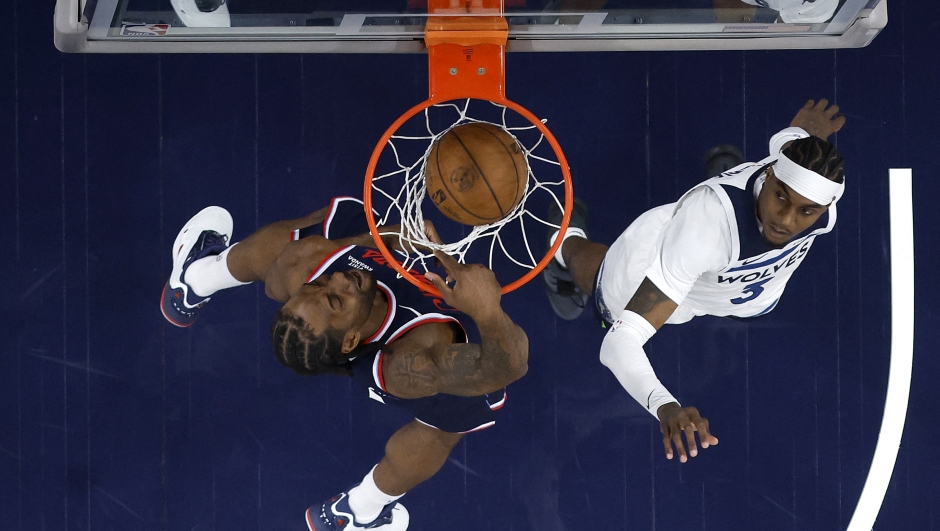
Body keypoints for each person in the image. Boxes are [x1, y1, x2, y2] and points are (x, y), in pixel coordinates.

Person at [160, 197, 529, 531]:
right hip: (425, 365)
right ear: (351, 340)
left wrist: (385, 237)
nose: (337, 279)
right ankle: (360, 512)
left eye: (318, 287)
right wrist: (486, 309)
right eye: (336, 301)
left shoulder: (305, 268)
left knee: (318, 229)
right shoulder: (415, 365)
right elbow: (507, 366)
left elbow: (278, 281)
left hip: (361, 287)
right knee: (443, 428)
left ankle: (194, 280)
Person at [543, 99, 845, 464]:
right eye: (780, 197)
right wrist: (664, 406)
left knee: (747, 256)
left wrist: (807, 135)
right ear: (767, 176)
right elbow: (618, 343)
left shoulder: (803, 174)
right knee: (605, 285)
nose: (787, 220)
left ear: (825, 208)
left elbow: (787, 142)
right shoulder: (705, 230)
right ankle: (564, 244)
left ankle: (730, 182)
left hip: (741, 292)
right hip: (662, 258)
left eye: (806, 211)